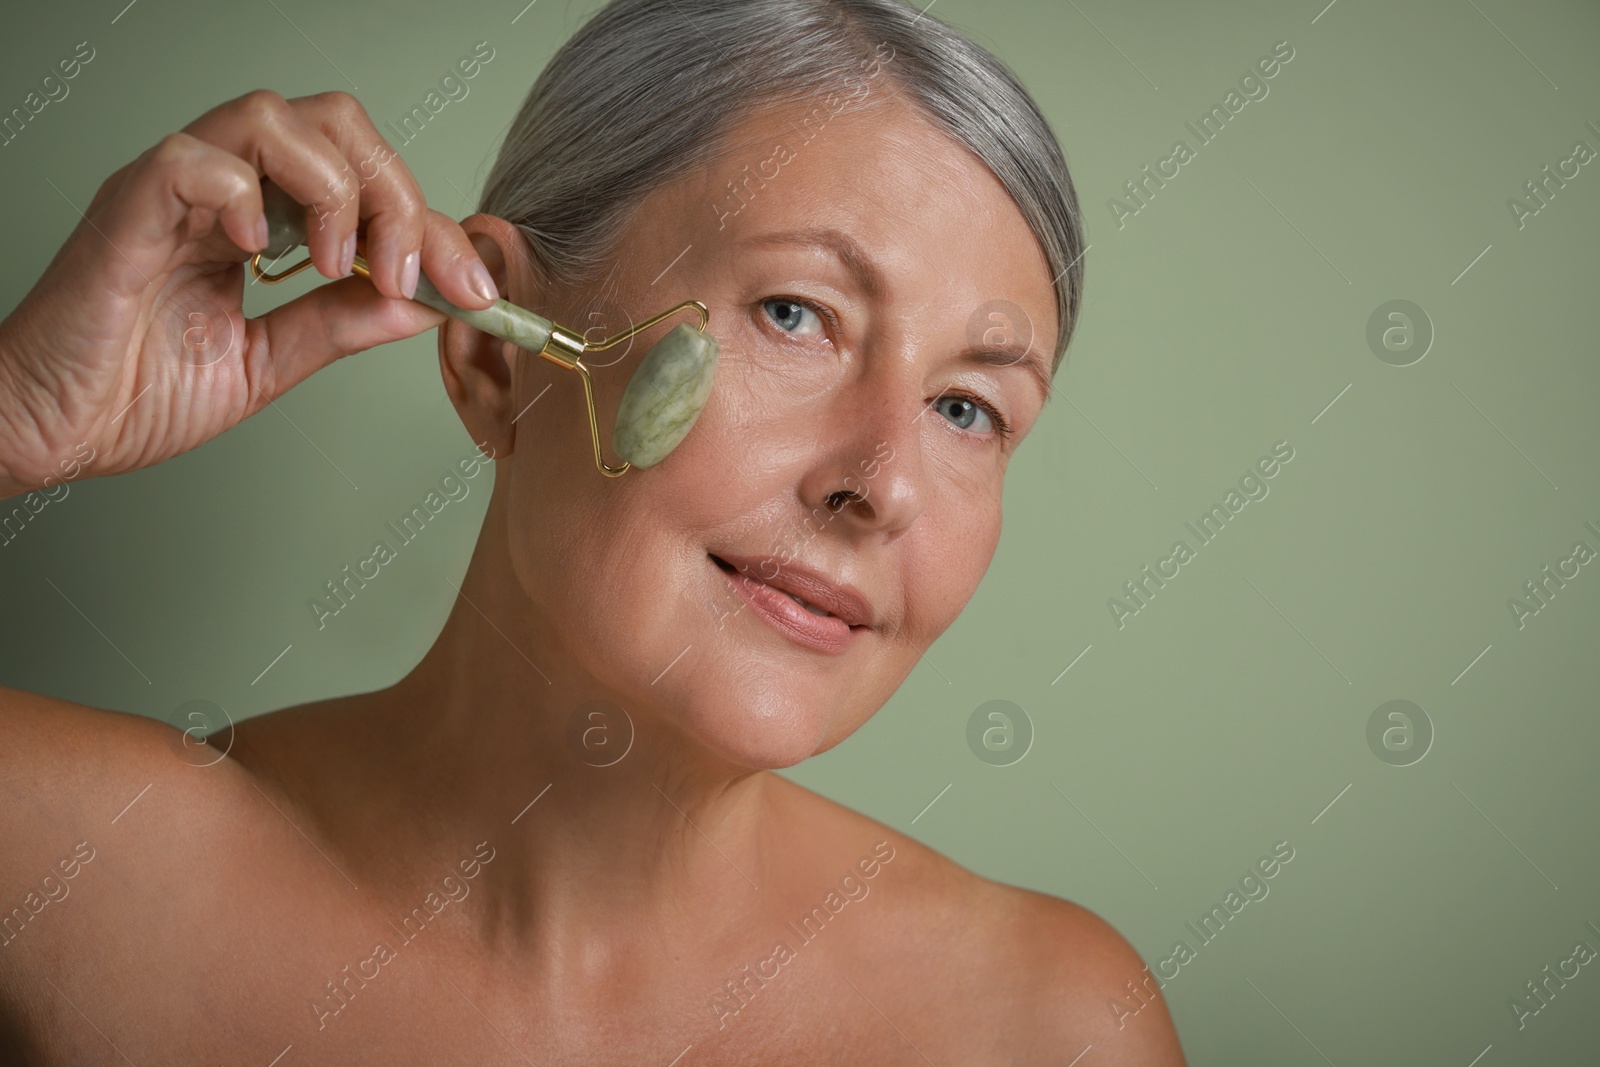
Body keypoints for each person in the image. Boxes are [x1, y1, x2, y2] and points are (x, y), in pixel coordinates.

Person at [0, 0, 1186, 1062]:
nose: (881, 482)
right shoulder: (59, 879)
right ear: (492, 349)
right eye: (795, 314)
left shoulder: (1048, 1024)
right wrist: (16, 413)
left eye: (965, 407)